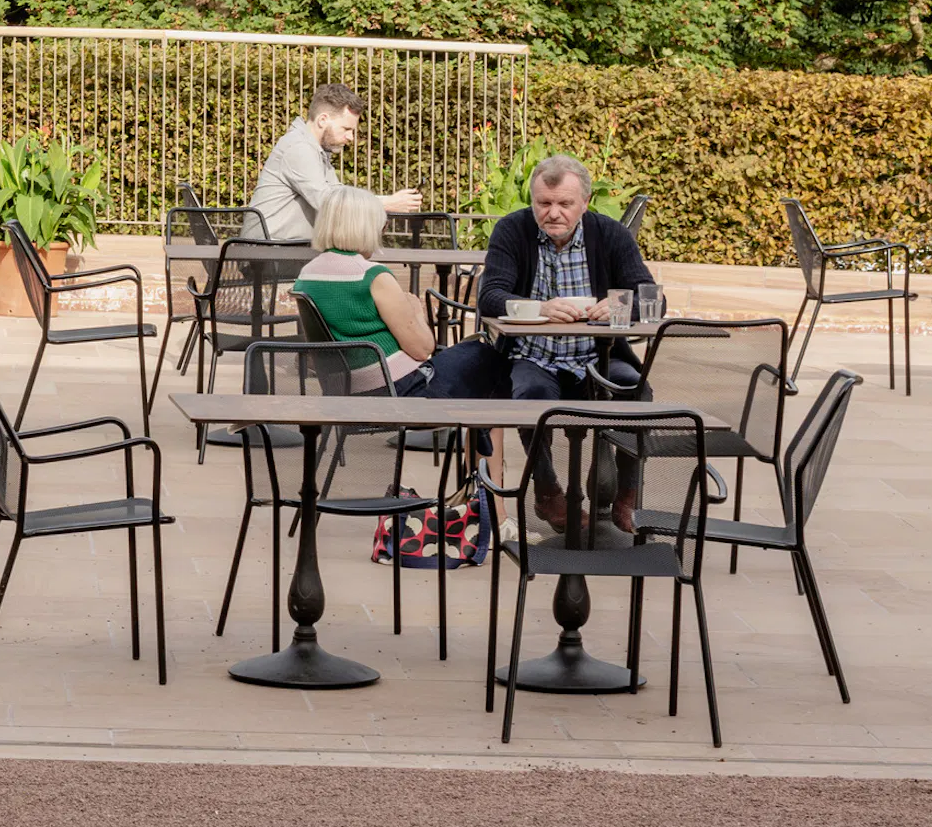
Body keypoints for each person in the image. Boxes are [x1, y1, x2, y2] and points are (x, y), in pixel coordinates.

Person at [479, 155, 653, 533]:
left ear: (585, 203)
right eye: (544, 203)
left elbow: (651, 296)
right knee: (529, 393)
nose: (553, 213)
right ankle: (547, 490)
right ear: (533, 201)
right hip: (534, 355)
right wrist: (539, 308)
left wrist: (619, 306)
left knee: (635, 389)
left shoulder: (611, 234)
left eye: (564, 204)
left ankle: (628, 492)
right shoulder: (513, 230)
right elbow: (489, 296)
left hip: (597, 356)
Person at [290, 188, 497, 397]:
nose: (383, 232)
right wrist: (416, 310)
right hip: (398, 387)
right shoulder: (372, 276)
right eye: (382, 225)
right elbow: (423, 349)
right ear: (366, 227)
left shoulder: (306, 275)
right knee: (484, 354)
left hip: (344, 388)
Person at [244, 82, 423, 243]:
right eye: (346, 129)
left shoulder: (316, 150)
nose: (351, 137)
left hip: (283, 249)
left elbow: (339, 196)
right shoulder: (298, 148)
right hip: (268, 251)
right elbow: (328, 203)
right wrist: (385, 204)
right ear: (323, 120)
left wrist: (388, 201)